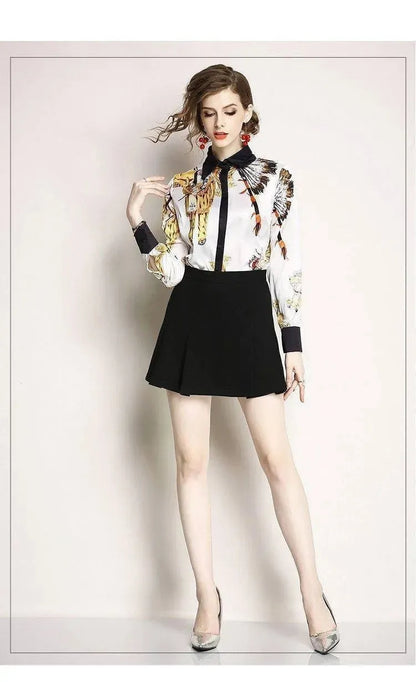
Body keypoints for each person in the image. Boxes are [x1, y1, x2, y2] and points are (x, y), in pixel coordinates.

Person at [126, 64, 340, 655]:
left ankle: (312, 593)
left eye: (228, 110)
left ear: (247, 112)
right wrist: (138, 223)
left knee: (276, 462)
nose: (218, 122)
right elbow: (171, 272)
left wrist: (292, 342)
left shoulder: (275, 180)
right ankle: (205, 597)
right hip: (192, 314)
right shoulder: (182, 187)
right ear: (198, 119)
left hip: (248, 315)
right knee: (190, 464)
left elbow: (286, 261)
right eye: (208, 112)